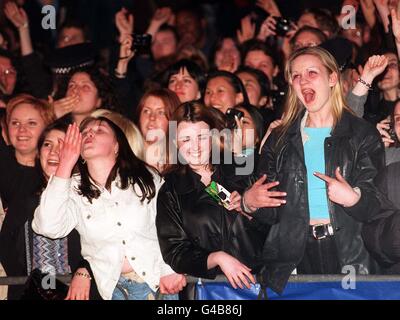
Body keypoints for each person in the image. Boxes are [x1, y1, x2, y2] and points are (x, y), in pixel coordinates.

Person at [242, 46, 386, 294]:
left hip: (351, 256)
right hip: (293, 258)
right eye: (296, 76)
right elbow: (268, 215)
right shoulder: (280, 138)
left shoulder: (362, 134)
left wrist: (353, 198)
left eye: (311, 73)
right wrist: (250, 203)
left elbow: (377, 206)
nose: (303, 80)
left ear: (332, 79)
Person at [32, 118, 186, 300]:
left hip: (157, 282)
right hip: (114, 291)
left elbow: (172, 224)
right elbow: (49, 227)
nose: (89, 133)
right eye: (85, 132)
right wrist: (65, 164)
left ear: (116, 146)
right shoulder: (73, 188)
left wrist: (170, 268)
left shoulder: (145, 177)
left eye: (99, 130)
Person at [156, 101, 269, 292]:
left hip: (259, 283)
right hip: (207, 290)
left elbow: (278, 224)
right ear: (175, 143)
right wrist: (217, 258)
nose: (195, 147)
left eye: (201, 137)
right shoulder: (171, 190)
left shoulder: (243, 170)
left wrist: (249, 209)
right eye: (186, 140)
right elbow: (175, 251)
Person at [0, 118, 83, 300]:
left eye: (63, 145)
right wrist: (29, 280)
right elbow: (5, 243)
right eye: (47, 144)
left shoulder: (85, 199)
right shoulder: (24, 198)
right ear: (39, 153)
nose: (54, 151)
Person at [136, 88, 180, 173]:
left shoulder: (183, 167)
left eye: (160, 112)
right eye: (146, 111)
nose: (152, 117)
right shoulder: (127, 160)